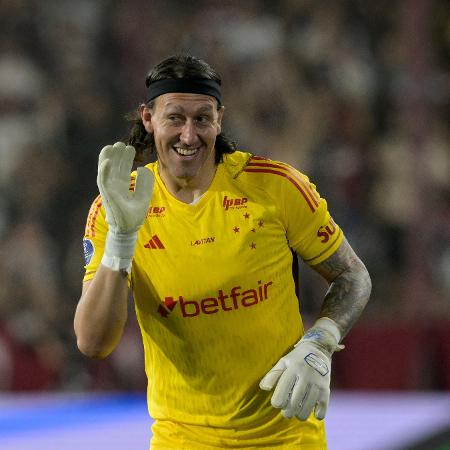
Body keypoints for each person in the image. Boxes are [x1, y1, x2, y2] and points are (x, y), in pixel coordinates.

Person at [74, 54, 372, 449]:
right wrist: (122, 241)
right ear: (148, 119)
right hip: (182, 438)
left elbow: (352, 276)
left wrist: (320, 342)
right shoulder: (118, 205)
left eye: (202, 118)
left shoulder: (276, 187)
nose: (188, 135)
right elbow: (93, 343)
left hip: (287, 436)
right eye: (175, 118)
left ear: (220, 119)